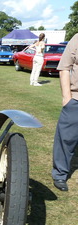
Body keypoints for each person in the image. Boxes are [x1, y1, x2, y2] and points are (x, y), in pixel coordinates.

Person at [51, 33, 78, 192]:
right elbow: (64, 68)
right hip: (76, 99)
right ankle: (60, 174)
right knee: (67, 138)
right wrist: (67, 97)